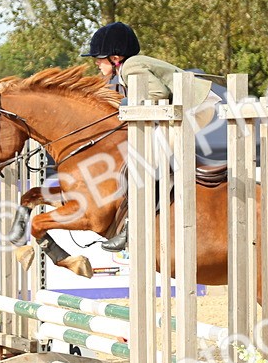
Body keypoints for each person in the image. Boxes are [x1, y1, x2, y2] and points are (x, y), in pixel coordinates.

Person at [80, 21, 217, 251]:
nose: (96, 62)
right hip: (192, 106)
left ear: (115, 58)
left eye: (99, 57)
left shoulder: (131, 67)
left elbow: (157, 93)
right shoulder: (128, 68)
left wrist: (126, 109)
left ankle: (132, 227)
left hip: (195, 107)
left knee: (146, 162)